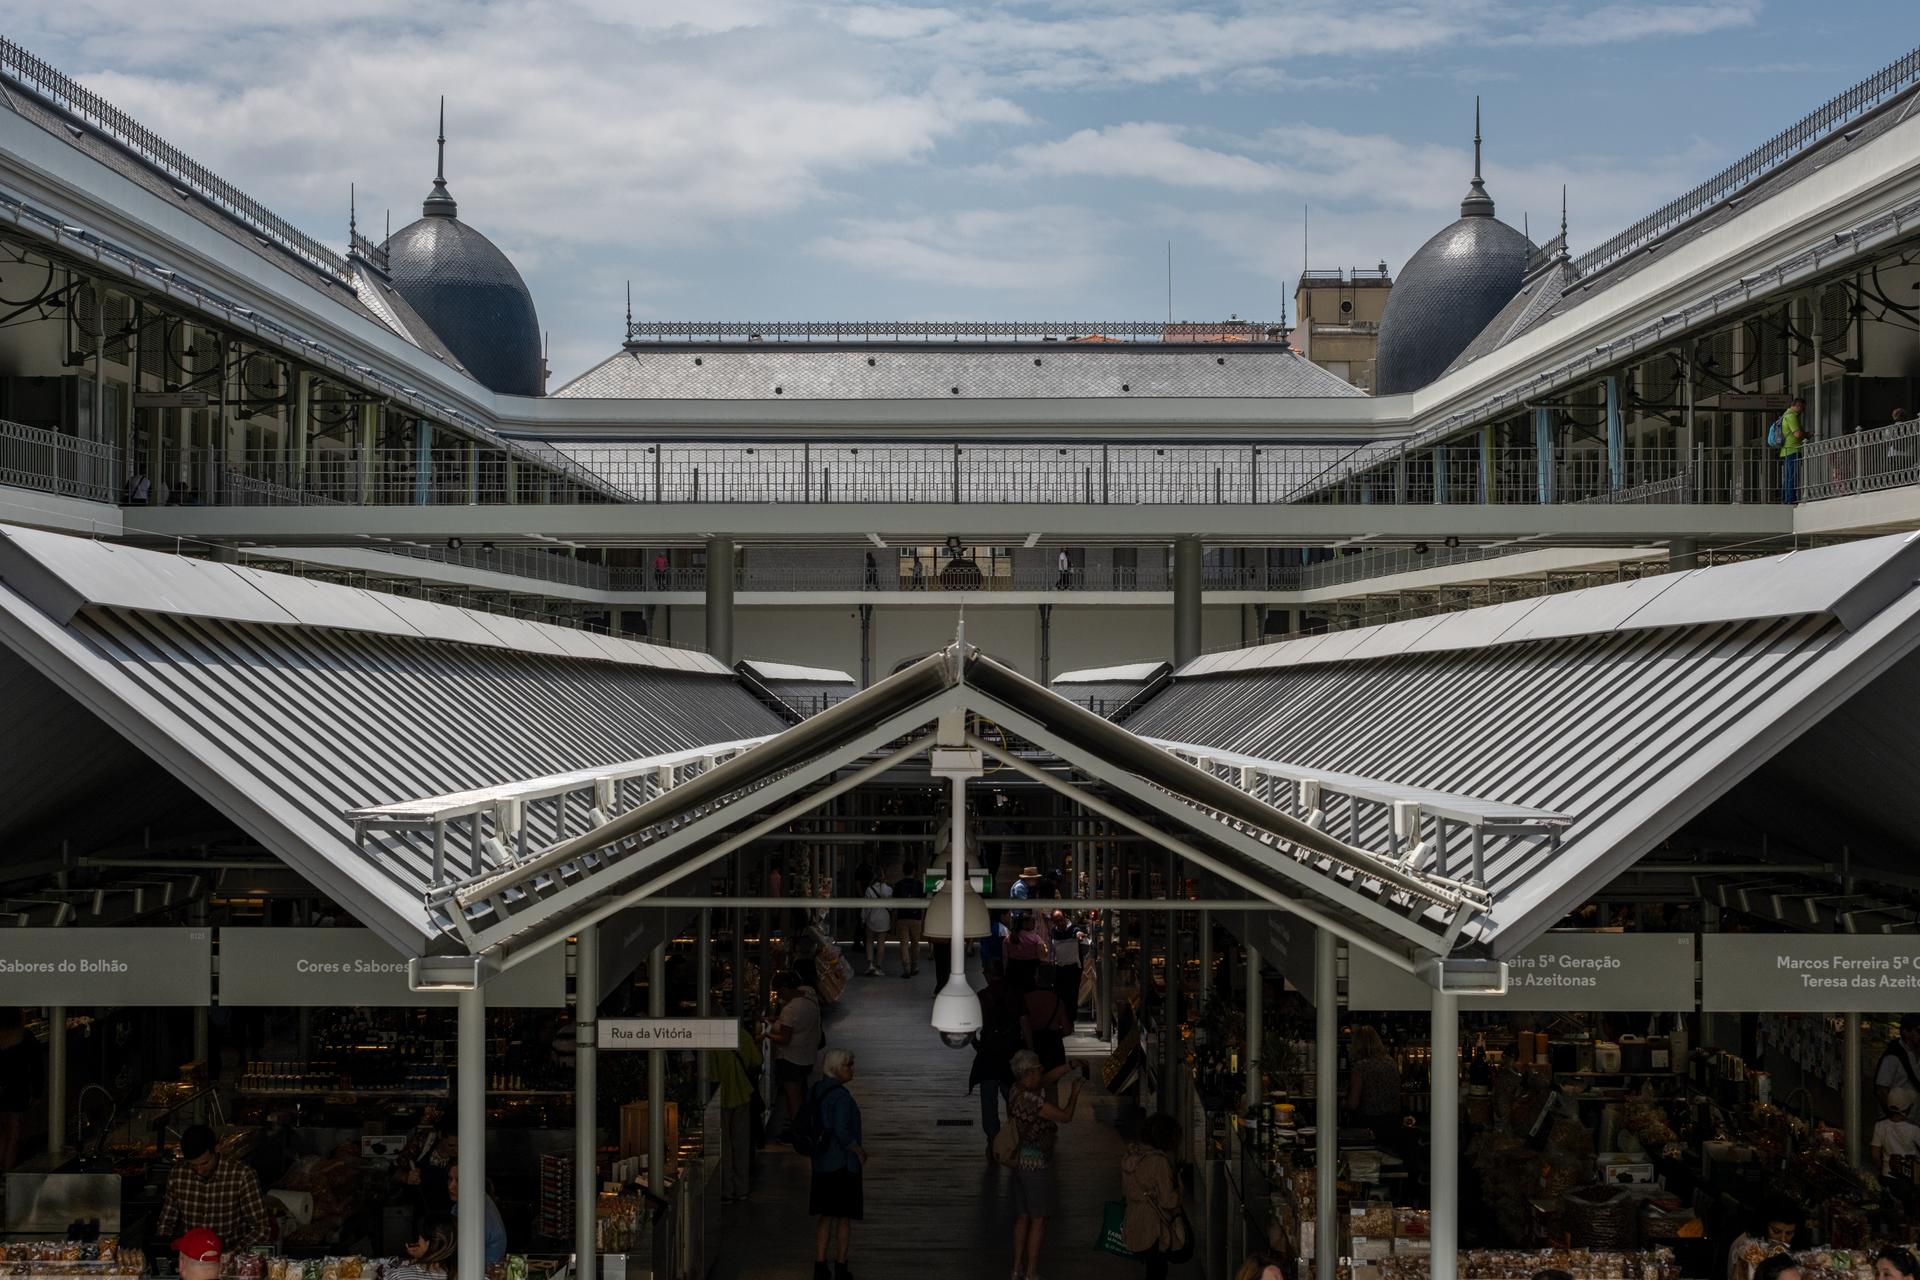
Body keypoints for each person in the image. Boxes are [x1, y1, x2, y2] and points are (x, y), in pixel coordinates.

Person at [1006, 1049, 1082, 1280]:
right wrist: (1074, 1094)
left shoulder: (1016, 1089)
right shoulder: (1033, 1101)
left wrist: (1070, 1065)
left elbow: (1048, 1078)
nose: (1042, 1071)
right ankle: (1031, 1273)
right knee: (1039, 1219)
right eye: (1038, 1069)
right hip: (1036, 1163)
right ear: (1029, 1073)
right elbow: (1065, 1116)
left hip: (1018, 1161)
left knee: (1023, 1216)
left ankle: (1017, 1268)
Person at [156, 1125, 269, 1252]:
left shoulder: (241, 1175)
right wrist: (163, 1249)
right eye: (193, 1165)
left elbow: (261, 1228)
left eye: (204, 1163)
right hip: (192, 1256)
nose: (199, 1170)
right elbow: (166, 1222)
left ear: (217, 1149)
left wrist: (232, 1254)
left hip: (229, 1253)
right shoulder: (178, 1175)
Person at [805, 1048, 865, 1280]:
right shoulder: (841, 1097)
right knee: (843, 1218)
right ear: (836, 1068)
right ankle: (841, 1266)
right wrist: (857, 1149)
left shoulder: (816, 1091)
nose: (852, 1069)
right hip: (841, 1164)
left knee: (825, 1216)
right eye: (848, 1065)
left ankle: (820, 1265)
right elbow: (841, 1129)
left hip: (821, 1163)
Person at [1121, 1113, 1187, 1280]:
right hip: (1155, 1226)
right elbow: (1168, 1201)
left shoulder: (1131, 1155)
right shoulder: (1159, 1162)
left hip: (1134, 1218)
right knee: (1158, 1271)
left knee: (1151, 1269)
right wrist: (1181, 1190)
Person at [971, 963, 1023, 1159]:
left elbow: (971, 1026)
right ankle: (1014, 1138)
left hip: (988, 1054)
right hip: (1010, 1053)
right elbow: (1024, 1022)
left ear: (988, 974)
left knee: (988, 1099)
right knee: (1012, 1097)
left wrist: (975, 1044)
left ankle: (992, 1141)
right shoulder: (1015, 994)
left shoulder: (982, 996)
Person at [768, 971, 824, 1136]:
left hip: (790, 1058)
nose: (779, 996)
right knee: (800, 1092)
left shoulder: (791, 1009)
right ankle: (801, 1125)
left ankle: (797, 1130)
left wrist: (767, 1035)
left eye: (779, 992)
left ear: (785, 989)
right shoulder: (809, 995)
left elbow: (784, 1039)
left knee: (793, 1096)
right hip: (807, 1055)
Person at [714, 1019, 763, 1203]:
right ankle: (742, 1188)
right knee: (741, 1143)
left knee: (723, 1146)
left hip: (718, 1097)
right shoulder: (741, 1034)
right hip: (742, 1094)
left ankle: (726, 1190)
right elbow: (757, 1060)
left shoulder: (707, 1037)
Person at [0, 1008, 39, 1170]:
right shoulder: (26, 1037)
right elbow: (37, 1067)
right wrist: (37, 1092)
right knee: (15, 1133)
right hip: (18, 1089)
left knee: (2, 1130)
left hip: (1, 1089)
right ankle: (7, 1172)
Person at [1345, 1026, 1404, 1134]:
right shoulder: (1391, 1062)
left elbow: (1353, 1103)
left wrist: (1343, 1104)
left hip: (1368, 1124)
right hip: (1393, 1122)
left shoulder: (1360, 1067)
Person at [447, 1161, 507, 1265]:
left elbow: (458, 1254)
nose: (450, 1186)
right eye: (450, 1179)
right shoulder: (469, 1202)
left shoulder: (478, 1212)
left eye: (458, 1180)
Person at [1727, 1196, 1799, 1280]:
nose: (1783, 1239)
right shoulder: (1746, 1249)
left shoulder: (1790, 1250)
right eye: (1776, 1231)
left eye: (1789, 1233)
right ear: (1763, 1225)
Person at [386, 1219, 457, 1280]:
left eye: (419, 1238)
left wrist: (417, 1261)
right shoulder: (458, 1274)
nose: (418, 1242)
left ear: (428, 1243)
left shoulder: (399, 1275)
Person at [1873, 1087, 1920, 1177]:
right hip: (1910, 1177)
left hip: (1887, 1175)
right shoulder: (1914, 1130)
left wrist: (1882, 1168)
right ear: (1907, 1109)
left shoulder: (1880, 1126)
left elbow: (1875, 1154)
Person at [1877, 1016, 1920, 1112]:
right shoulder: (1893, 1057)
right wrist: (1893, 1116)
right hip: (1898, 1120)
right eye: (1919, 1031)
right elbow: (1881, 1091)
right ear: (1906, 1032)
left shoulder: (1915, 1054)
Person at [1046, 910, 1087, 1011]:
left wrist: (1079, 935)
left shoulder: (1073, 928)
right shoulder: (1054, 932)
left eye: (1061, 920)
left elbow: (1077, 932)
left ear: (1065, 917)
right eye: (1056, 921)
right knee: (1059, 996)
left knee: (1072, 997)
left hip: (1073, 969)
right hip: (1060, 968)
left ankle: (1070, 1022)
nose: (1060, 923)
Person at [890, 865, 924, 978]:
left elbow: (894, 904)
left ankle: (906, 968)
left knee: (904, 945)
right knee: (915, 943)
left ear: (903, 871)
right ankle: (915, 966)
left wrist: (894, 919)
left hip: (902, 918)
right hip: (916, 918)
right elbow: (923, 903)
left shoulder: (899, 885)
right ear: (914, 871)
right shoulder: (919, 885)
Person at [860, 872, 892, 977]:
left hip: (872, 919)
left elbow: (866, 907)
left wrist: (863, 918)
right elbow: (891, 907)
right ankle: (878, 967)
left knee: (869, 942)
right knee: (881, 944)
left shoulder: (869, 890)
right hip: (884, 920)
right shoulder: (889, 890)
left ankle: (870, 965)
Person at [1778, 396, 1806, 504]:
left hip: (1786, 450)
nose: (1803, 411)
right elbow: (1797, 434)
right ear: (1798, 406)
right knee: (1792, 477)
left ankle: (1785, 498)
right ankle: (1790, 499)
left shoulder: (1785, 415)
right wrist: (1806, 434)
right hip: (1793, 449)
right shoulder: (1791, 417)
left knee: (1788, 476)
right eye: (1802, 408)